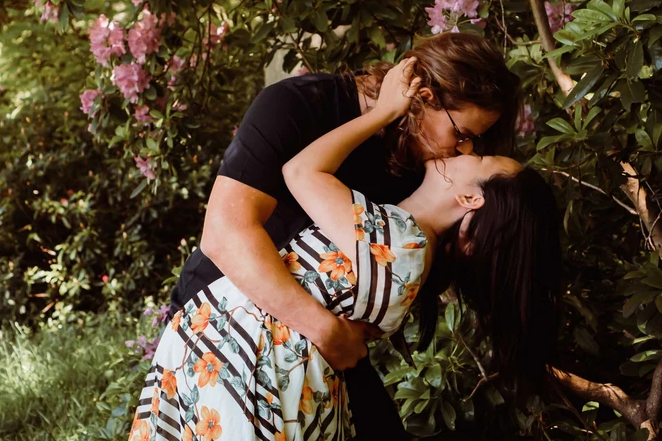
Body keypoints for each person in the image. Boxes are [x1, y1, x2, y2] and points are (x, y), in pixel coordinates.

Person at [128, 58, 561, 440]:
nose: (465, 148)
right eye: (462, 133)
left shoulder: (418, 206)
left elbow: (311, 182)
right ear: (423, 97)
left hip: (286, 352)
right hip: (234, 318)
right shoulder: (301, 104)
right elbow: (225, 233)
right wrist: (326, 329)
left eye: (476, 147)